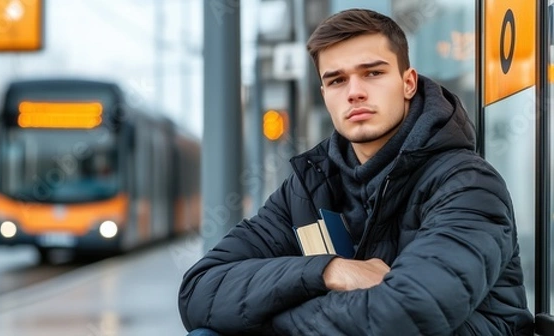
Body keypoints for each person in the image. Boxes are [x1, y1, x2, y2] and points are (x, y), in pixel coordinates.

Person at [179, 8, 534, 336]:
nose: (355, 92)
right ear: (324, 94)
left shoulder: (467, 184)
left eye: (373, 73)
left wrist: (265, 319)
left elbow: (403, 314)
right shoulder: (309, 187)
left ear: (408, 82)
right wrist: (328, 271)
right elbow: (200, 289)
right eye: (336, 81)